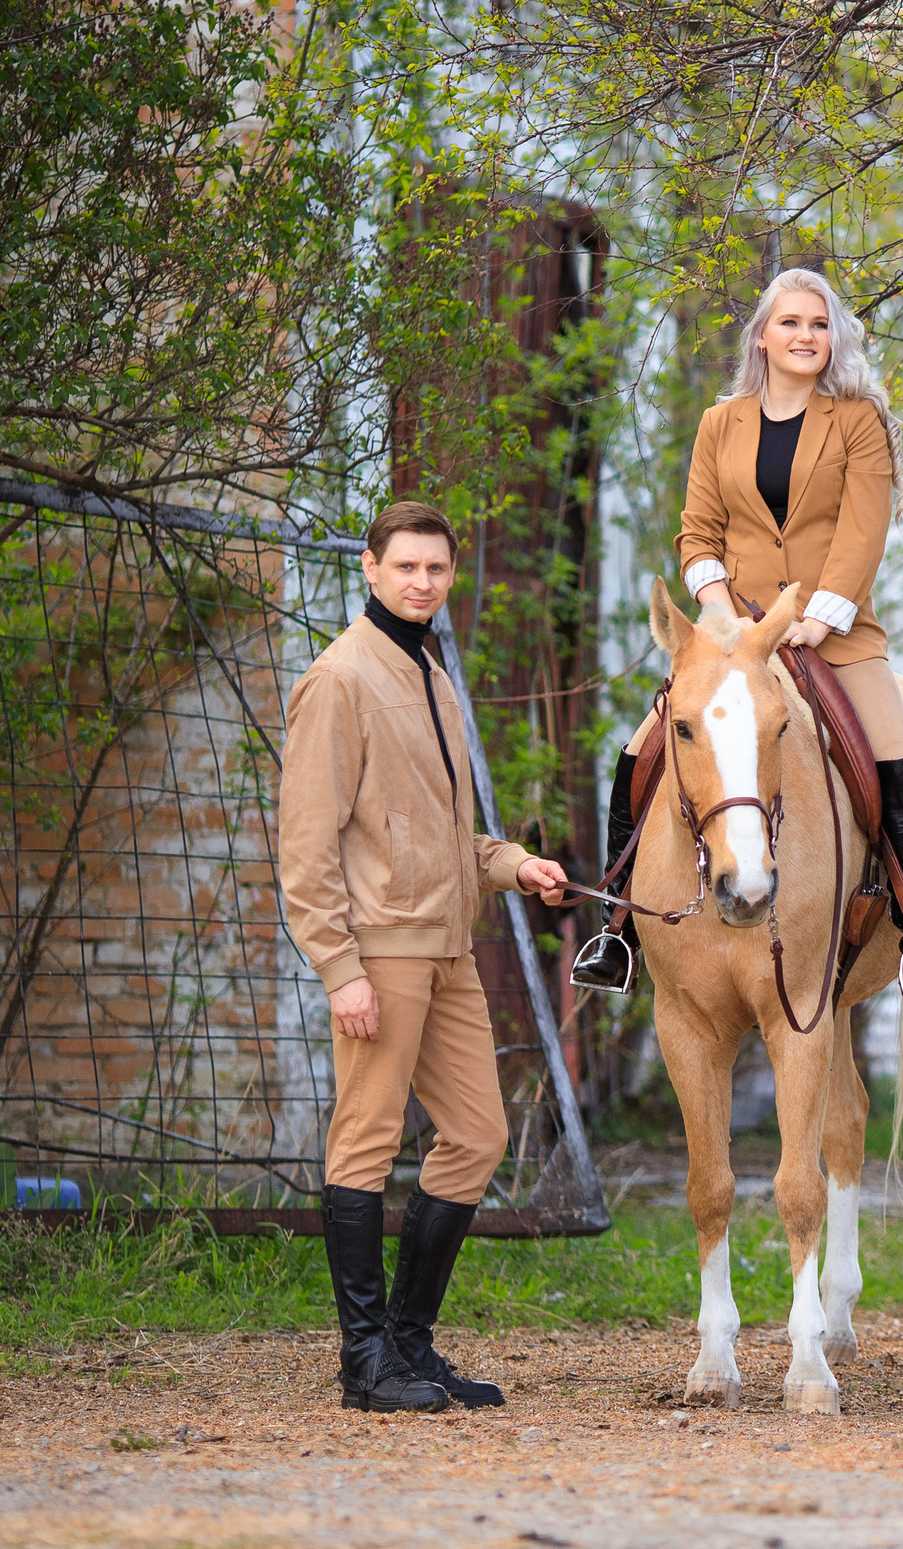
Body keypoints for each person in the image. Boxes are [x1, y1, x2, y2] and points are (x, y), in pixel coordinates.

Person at [589, 267, 903, 1001]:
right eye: (790, 323)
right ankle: (616, 927)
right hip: (731, 630)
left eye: (819, 325)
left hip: (835, 628)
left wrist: (819, 616)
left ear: (835, 339)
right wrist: (724, 613)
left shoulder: (859, 422)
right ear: (762, 335)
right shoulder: (716, 424)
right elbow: (697, 532)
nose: (805, 336)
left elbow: (863, 533)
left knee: (888, 756)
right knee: (641, 751)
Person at [280, 501, 571, 1413]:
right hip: (380, 951)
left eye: (436, 569)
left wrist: (513, 864)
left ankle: (410, 1343)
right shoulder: (340, 678)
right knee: (364, 1139)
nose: (421, 582)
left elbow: (441, 834)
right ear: (369, 568)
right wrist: (341, 967)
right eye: (404, 566)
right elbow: (305, 845)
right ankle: (365, 1363)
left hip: (450, 950)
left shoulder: (433, 670)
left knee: (480, 1134)